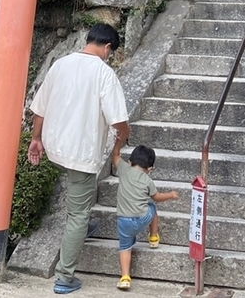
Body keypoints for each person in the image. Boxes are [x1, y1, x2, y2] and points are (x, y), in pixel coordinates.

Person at [28, 23, 130, 295]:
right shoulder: (104, 73)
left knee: (79, 203)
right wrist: (122, 139)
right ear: (108, 48)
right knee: (77, 214)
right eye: (111, 52)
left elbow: (40, 106)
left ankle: (84, 225)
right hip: (80, 154)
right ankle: (64, 277)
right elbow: (118, 121)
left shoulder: (61, 64)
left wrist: (36, 139)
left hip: (54, 146)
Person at [114, 144, 179, 291]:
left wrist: (118, 142)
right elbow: (156, 197)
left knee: (124, 248)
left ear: (130, 162)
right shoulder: (147, 180)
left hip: (123, 220)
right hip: (143, 218)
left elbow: (115, 156)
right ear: (150, 169)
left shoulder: (124, 169)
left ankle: (125, 278)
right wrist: (170, 195)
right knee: (152, 207)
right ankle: (154, 237)